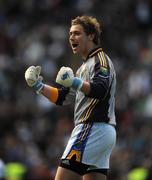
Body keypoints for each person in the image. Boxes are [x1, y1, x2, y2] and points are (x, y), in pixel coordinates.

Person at [25, 15, 116, 180]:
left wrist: (74, 81)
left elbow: (101, 89)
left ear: (91, 36)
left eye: (77, 33)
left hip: (92, 128)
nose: (71, 37)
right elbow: (62, 98)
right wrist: (38, 85)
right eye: (70, 34)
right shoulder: (84, 66)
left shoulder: (100, 60)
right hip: (101, 131)